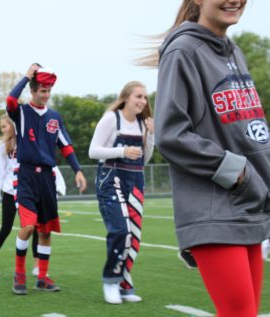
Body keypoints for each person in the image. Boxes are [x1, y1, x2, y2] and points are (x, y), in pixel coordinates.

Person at [146, 0, 270, 316]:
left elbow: (247, 130)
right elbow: (171, 134)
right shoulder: (182, 51)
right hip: (213, 210)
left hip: (249, 207)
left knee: (246, 313)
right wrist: (239, 173)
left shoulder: (235, 51)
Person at [6, 64, 87, 295]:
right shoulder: (21, 112)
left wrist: (78, 170)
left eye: (49, 90)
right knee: (29, 226)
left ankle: (42, 277)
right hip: (26, 176)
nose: (47, 95)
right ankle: (19, 273)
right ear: (33, 91)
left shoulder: (55, 117)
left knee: (46, 230)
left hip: (47, 179)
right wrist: (25, 76)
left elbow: (66, 146)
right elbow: (10, 100)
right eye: (42, 90)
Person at [89, 81, 154, 304]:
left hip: (135, 180)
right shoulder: (111, 119)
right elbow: (93, 151)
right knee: (120, 230)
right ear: (126, 97)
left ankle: (125, 283)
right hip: (111, 178)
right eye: (138, 96)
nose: (143, 101)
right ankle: (110, 281)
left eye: (145, 97)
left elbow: (145, 158)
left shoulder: (143, 124)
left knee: (134, 235)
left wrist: (151, 135)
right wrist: (122, 150)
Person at [0, 115, 66, 277]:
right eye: (1, 127)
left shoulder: (31, 141)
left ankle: (37, 264)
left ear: (14, 125)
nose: (3, 130)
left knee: (37, 226)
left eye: (4, 126)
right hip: (10, 191)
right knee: (6, 228)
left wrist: (59, 185)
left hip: (30, 190)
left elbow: (48, 162)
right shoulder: (2, 147)